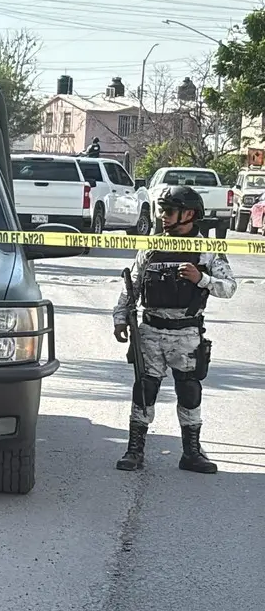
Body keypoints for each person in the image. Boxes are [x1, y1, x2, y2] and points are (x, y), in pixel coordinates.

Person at [112, 186, 236, 474]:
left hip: (186, 333)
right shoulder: (151, 246)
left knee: (190, 391)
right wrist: (120, 317)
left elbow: (229, 287)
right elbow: (131, 286)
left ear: (189, 214)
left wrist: (202, 279)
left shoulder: (207, 250)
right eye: (162, 211)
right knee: (144, 390)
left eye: (169, 211)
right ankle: (135, 451)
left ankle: (191, 453)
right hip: (151, 330)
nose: (163, 217)